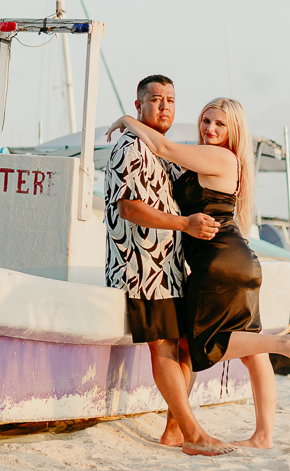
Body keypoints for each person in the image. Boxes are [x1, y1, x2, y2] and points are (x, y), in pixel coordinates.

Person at [108, 97, 290, 449]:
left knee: (206, 343)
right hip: (240, 261)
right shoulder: (227, 162)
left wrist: (128, 119)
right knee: (252, 352)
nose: (210, 129)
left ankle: (286, 342)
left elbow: (161, 145)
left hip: (217, 262)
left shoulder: (220, 157)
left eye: (219, 124)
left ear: (234, 130)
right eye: (206, 121)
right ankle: (263, 436)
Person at [104, 75, 232, 456]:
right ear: (139, 104)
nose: (164, 106)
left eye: (171, 100)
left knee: (185, 349)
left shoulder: (165, 151)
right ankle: (193, 434)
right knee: (163, 349)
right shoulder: (129, 147)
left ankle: (174, 431)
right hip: (140, 266)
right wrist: (185, 225)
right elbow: (129, 208)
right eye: (156, 99)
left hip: (173, 268)